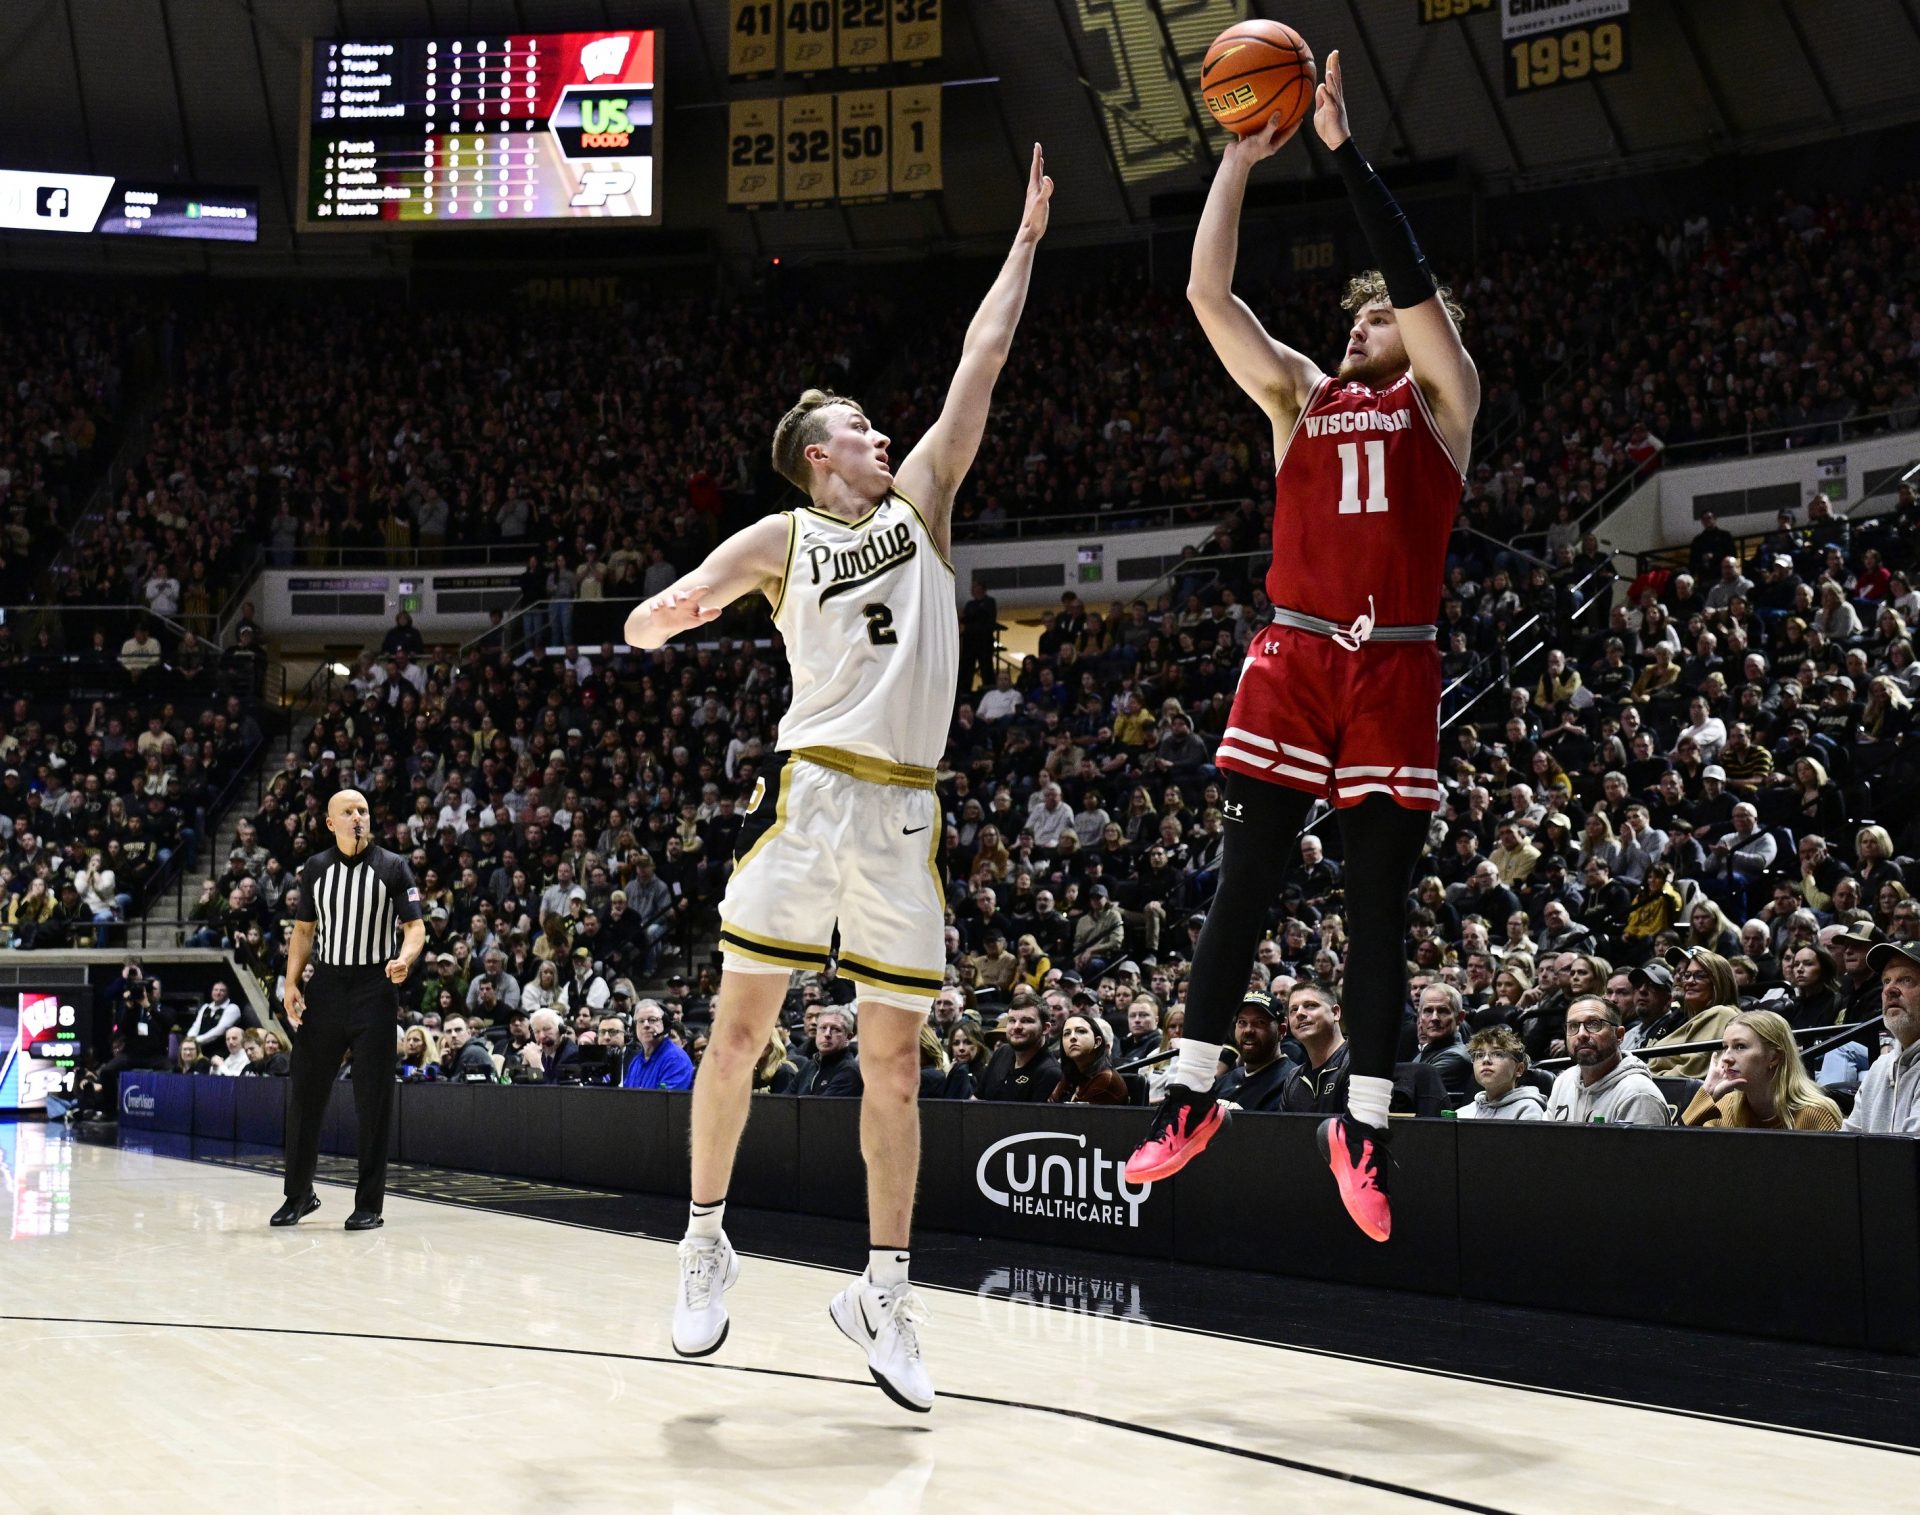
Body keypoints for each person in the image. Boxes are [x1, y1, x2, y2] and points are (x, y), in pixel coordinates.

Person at [631, 148, 1054, 1413]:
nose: (884, 434)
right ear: (819, 458)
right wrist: (665, 617)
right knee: (742, 1030)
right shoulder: (788, 535)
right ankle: (705, 1239)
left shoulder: (923, 500)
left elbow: (980, 362)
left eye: (880, 427)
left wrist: (1026, 242)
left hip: (906, 812)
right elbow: (679, 600)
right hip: (811, 792)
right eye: (860, 429)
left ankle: (885, 1291)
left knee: (896, 1065)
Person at [1125, 54, 1480, 1248]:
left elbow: (1415, 278)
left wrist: (1338, 152)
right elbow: (1208, 296)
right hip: (1297, 652)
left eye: (1381, 312)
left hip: (1398, 664)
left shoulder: (1445, 398)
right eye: (1358, 313)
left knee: (1378, 901)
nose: (1362, 321)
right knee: (1250, 875)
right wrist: (1239, 157)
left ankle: (1364, 1126)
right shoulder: (1299, 398)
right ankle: (1191, 1093)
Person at [274, 789, 426, 1231]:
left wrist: (405, 957)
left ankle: (369, 1204)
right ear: (330, 822)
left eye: (362, 810)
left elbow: (416, 927)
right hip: (326, 988)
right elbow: (303, 931)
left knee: (373, 1101)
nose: (357, 817)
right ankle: (299, 1195)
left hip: (375, 989)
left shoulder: (393, 866)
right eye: (347, 811)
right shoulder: (316, 869)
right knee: (304, 1094)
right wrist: (290, 982)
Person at [1680, 1011, 1842, 1130]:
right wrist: (1707, 1093)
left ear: (1774, 1057)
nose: (1726, 1058)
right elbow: (1669, 1154)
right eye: (1725, 1047)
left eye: (1740, 1047)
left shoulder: (1815, 1114)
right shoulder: (1724, 1107)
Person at [1544, 997, 1670, 1125]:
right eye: (1573, 1026)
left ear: (1619, 1035)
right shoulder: (1564, 1081)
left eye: (1593, 1024)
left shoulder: (1638, 1095)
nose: (1581, 1034)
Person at [1843, 941, 1920, 1133]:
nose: (1890, 990)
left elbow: (1910, 1156)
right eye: (1886, 981)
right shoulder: (1879, 1068)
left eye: (1906, 980)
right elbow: (1845, 1147)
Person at [1274, 983, 1350, 1114]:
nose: (1299, 1014)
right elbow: (1284, 1133)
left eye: (1310, 1005)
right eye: (1293, 1009)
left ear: (1335, 1013)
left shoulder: (1357, 1063)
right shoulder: (1293, 1078)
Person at [1215, 991, 1291, 1111]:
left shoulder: (1291, 1084)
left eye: (1260, 1022)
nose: (1248, 1030)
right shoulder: (1225, 1080)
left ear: (1282, 1030)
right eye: (1242, 1022)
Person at [973, 998, 1060, 1102]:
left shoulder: (1050, 1072)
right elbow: (977, 1099)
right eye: (1012, 1020)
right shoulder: (1002, 1052)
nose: (1016, 1027)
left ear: (1045, 1028)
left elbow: (1034, 1118)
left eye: (1026, 1021)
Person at [1455, 1027, 1545, 1119]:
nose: (1485, 1060)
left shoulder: (1528, 1109)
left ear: (1519, 1069)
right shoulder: (1461, 1113)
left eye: (1498, 1054)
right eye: (1480, 1055)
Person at [1050, 1013, 1128, 1104]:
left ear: (1097, 1042)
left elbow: (1073, 1116)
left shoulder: (1105, 1078)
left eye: (1081, 1031)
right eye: (1067, 1033)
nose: (1072, 1037)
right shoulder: (1070, 1072)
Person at [621, 999, 695, 1091]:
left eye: (652, 1020)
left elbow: (664, 1103)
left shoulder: (676, 1059)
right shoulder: (635, 1061)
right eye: (641, 1021)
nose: (646, 1025)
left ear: (666, 1025)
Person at [792, 1006, 863, 1097]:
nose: (827, 1034)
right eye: (823, 1028)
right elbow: (785, 1102)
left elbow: (820, 1109)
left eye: (835, 1029)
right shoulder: (809, 1066)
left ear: (848, 1037)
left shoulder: (849, 1071)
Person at [438, 1015, 499, 1082]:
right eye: (448, 1031)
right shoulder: (461, 1052)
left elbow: (452, 1088)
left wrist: (438, 1074)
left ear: (469, 1032)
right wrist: (445, 1066)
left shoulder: (473, 1052)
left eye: (458, 1030)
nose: (453, 1035)